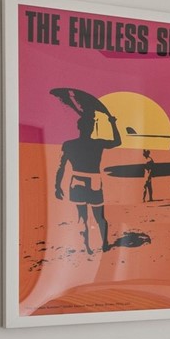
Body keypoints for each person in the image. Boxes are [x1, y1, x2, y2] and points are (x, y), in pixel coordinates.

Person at [53, 98, 123, 255]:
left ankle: (87, 247)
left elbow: (61, 167)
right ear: (92, 127)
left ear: (79, 127)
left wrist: (57, 186)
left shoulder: (69, 145)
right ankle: (104, 244)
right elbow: (117, 141)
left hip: (77, 182)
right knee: (99, 217)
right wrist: (112, 123)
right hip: (94, 181)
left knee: (82, 217)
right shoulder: (97, 143)